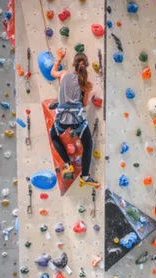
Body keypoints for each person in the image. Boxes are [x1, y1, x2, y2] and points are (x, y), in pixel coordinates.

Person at [50, 47, 100, 187]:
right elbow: (84, 104)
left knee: (54, 136)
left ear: (73, 64)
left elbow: (52, 72)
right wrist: (89, 93)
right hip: (77, 119)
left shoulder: (64, 74)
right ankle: (85, 176)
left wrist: (59, 58)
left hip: (62, 119)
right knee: (88, 144)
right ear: (87, 66)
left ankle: (68, 164)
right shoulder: (86, 83)